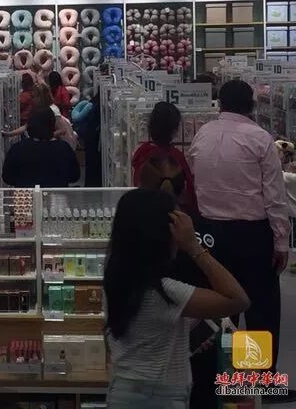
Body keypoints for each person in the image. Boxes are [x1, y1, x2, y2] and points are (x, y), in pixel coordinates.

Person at [104, 189, 249, 408]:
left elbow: (143, 330)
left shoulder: (116, 281)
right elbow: (238, 299)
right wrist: (194, 247)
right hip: (160, 396)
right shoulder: (166, 292)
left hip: (122, 389)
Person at [186, 79, 291, 368]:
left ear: (220, 104)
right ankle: (254, 380)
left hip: (210, 233)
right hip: (252, 235)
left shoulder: (202, 134)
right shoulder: (260, 139)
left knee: (219, 309)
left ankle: (219, 376)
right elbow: (274, 196)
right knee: (259, 311)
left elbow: (195, 178)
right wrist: (281, 242)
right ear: (252, 106)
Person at [131, 102, 197, 216]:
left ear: (150, 126)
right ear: (175, 130)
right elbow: (189, 194)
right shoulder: (177, 157)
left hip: (144, 214)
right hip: (175, 217)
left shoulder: (142, 153)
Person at [2, 108, 80, 187]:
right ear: (52, 125)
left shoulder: (17, 148)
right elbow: (74, 176)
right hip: (57, 193)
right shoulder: (64, 148)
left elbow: (7, 178)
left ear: (29, 125)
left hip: (25, 194)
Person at [3, 83, 77, 150]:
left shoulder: (53, 109)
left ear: (41, 96)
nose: (32, 99)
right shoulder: (36, 108)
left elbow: (62, 130)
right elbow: (26, 126)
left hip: (50, 146)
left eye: (34, 96)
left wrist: (45, 136)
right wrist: (9, 134)